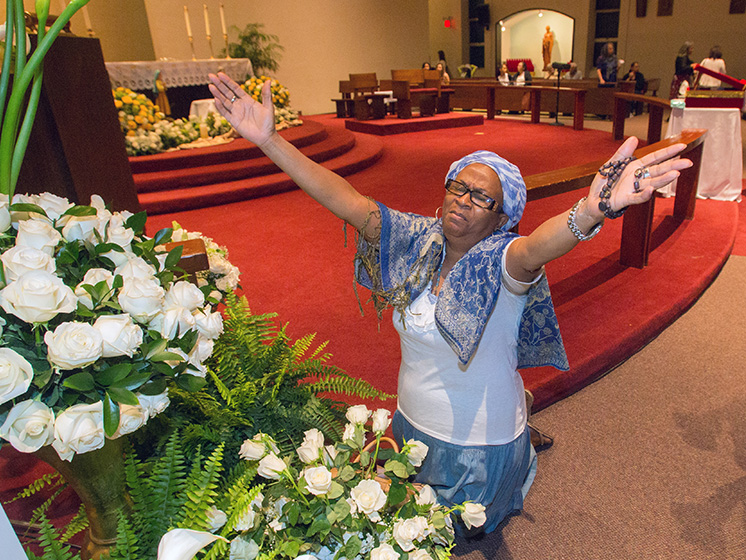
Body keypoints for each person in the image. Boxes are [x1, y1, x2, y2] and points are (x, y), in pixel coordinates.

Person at [208, 72, 691, 534]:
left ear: (503, 218)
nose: (462, 198)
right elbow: (346, 198)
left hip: (477, 448)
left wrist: (590, 211)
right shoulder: (417, 240)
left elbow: (539, 246)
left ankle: (518, 439)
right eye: (457, 186)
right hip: (411, 425)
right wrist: (270, 141)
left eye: (481, 197)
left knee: (435, 535)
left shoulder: (505, 262)